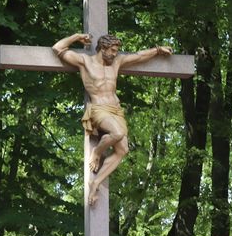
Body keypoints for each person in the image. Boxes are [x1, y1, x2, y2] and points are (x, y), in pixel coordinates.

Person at [51, 32, 173, 204]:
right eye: (113, 50)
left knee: (123, 150)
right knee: (118, 133)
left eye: (117, 51)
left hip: (116, 110)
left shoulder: (116, 63)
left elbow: (138, 56)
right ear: (103, 48)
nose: (116, 54)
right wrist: (77, 36)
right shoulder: (85, 62)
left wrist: (158, 50)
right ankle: (97, 151)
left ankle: (95, 183)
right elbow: (58, 48)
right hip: (99, 109)